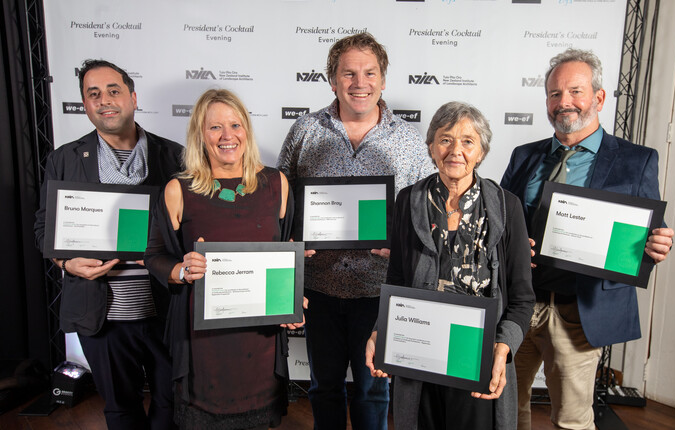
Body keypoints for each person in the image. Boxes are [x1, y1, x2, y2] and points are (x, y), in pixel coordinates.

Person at [500, 48, 675, 430]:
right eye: (554, 94)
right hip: (519, 307)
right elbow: (499, 222)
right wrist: (511, 243)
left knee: (572, 420)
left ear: (598, 97)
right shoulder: (523, 156)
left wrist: (655, 246)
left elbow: (644, 233)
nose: (564, 102)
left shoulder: (636, 160)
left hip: (581, 310)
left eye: (575, 92)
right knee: (506, 413)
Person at [277, 32, 435, 430]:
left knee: (373, 388)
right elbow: (280, 200)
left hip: (379, 290)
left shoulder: (409, 142)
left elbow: (426, 216)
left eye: (369, 73)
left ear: (383, 80)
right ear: (332, 80)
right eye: (348, 73)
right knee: (324, 387)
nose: (359, 83)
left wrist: (402, 248)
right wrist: (289, 246)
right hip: (318, 286)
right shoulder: (304, 131)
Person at [365, 101, 535, 429]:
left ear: (481, 151)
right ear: (431, 147)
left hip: (477, 357)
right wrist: (380, 330)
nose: (456, 150)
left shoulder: (506, 206)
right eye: (445, 139)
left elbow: (523, 298)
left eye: (467, 141)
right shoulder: (408, 201)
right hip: (419, 353)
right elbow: (398, 279)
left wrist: (503, 348)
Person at [33, 59, 181, 429]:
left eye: (113, 91)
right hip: (101, 314)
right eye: (93, 94)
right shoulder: (64, 159)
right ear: (85, 105)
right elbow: (44, 229)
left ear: (132, 97)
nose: (104, 100)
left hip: (166, 308)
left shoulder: (175, 155)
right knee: (120, 409)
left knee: (172, 404)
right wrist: (66, 263)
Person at [144, 89, 299, 430]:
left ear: (247, 129)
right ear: (200, 134)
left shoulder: (277, 184)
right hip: (204, 344)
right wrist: (182, 270)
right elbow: (154, 255)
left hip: (259, 339)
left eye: (235, 125)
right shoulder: (178, 188)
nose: (227, 136)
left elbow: (284, 246)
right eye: (215, 128)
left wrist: (289, 293)